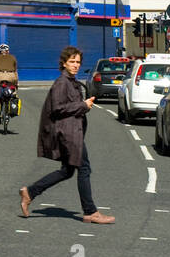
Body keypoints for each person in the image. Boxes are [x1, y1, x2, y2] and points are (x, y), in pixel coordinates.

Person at [19, 46, 114, 225]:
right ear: (63, 63)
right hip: (68, 133)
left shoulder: (71, 81)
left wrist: (84, 105)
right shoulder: (62, 83)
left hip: (71, 131)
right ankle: (90, 212)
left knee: (67, 171)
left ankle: (30, 192)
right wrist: (83, 106)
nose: (76, 65)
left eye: (78, 62)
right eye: (72, 61)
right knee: (84, 168)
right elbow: (57, 108)